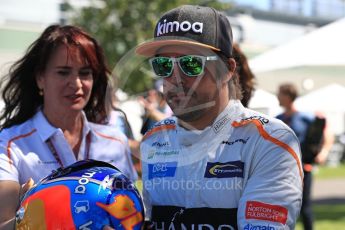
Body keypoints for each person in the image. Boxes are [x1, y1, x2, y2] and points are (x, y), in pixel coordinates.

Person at [136, 5, 303, 229]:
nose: (175, 78)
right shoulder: (154, 140)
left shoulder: (270, 141)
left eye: (191, 64)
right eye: (164, 65)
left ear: (228, 69)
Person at [0, 25, 137, 229]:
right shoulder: (10, 144)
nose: (76, 84)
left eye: (85, 73)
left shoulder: (115, 141)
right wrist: (36, 214)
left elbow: (131, 211)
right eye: (63, 72)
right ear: (40, 78)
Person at [276, 83, 333, 230]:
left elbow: (327, 132)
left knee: (304, 207)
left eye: (280, 94)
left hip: (303, 168)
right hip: (282, 171)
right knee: (282, 207)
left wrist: (324, 152)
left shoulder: (305, 117)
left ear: (288, 96)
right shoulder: (278, 119)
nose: (278, 96)